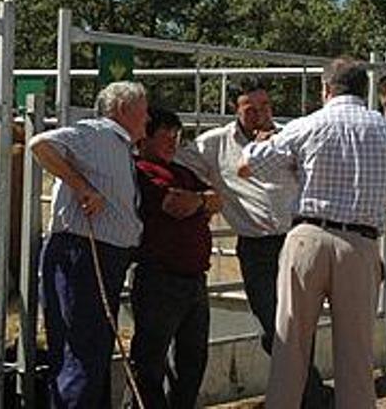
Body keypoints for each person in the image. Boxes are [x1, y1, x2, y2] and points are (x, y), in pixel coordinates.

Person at [239, 58, 386, 408]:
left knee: (290, 343)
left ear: (326, 89)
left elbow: (247, 166)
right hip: (361, 242)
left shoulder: (307, 125)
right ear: (360, 88)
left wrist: (269, 144)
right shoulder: (382, 129)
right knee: (356, 352)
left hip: (308, 235)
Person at [175, 79, 330, 407]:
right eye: (251, 109)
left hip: (297, 239)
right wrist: (201, 199)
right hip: (257, 246)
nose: (261, 114)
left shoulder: (290, 136)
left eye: (265, 107)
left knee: (300, 324)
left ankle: (300, 397)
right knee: (275, 327)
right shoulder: (215, 144)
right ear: (236, 109)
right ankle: (317, 397)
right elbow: (177, 163)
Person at [32, 81, 148, 408]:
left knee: (91, 349)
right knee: (82, 349)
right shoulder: (98, 133)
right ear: (124, 110)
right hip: (84, 253)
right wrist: (82, 188)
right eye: (144, 110)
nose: (147, 118)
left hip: (99, 254)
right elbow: (41, 144)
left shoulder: (118, 144)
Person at [129, 106, 222, 409]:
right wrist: (201, 202)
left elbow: (216, 198)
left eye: (176, 136)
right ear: (144, 139)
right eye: (164, 136)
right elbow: (174, 204)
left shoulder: (181, 172)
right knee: (150, 360)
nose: (172, 142)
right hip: (161, 276)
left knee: (193, 359)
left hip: (192, 278)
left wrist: (198, 201)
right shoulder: (141, 171)